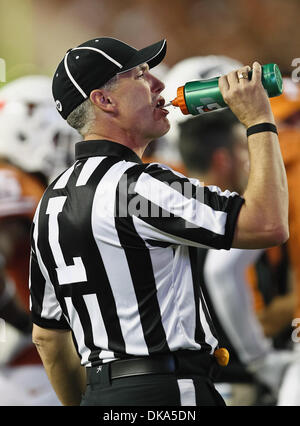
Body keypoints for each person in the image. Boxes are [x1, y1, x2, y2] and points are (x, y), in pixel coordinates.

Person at [30, 37, 288, 406]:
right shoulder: (136, 186)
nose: (159, 85)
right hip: (168, 391)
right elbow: (267, 225)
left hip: (101, 395)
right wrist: (259, 120)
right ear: (104, 100)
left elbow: (48, 339)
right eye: (140, 75)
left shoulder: (50, 203)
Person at [178, 110, 299, 405]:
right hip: (239, 376)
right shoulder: (238, 213)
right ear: (223, 158)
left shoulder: (159, 204)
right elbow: (225, 274)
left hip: (182, 379)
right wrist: (260, 358)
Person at [0, 75, 77, 405]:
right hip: (33, 359)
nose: (71, 150)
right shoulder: (10, 183)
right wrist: (21, 322)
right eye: (61, 139)